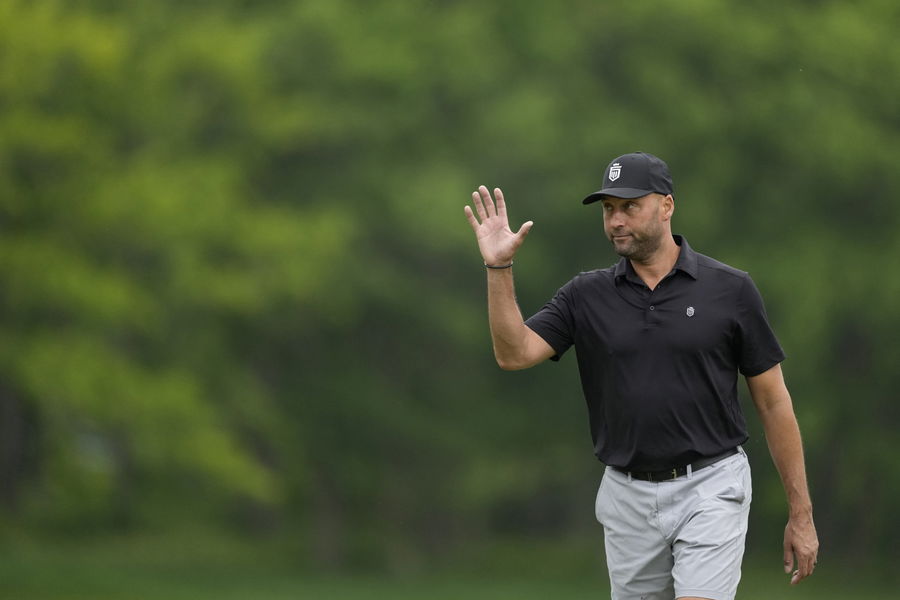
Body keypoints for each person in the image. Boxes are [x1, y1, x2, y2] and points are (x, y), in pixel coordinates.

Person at [464, 152, 819, 600]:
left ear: (666, 206)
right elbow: (514, 353)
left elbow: (773, 401)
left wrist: (801, 513)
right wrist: (498, 267)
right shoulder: (585, 295)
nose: (616, 220)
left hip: (711, 484)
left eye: (630, 206)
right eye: (608, 208)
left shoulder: (730, 289)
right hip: (627, 497)